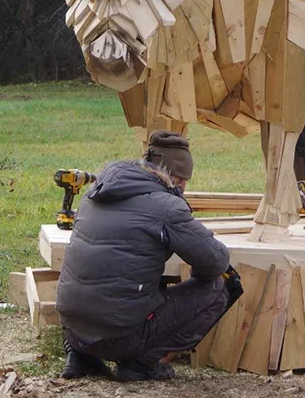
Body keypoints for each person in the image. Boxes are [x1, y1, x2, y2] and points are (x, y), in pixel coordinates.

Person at [56, 131, 240, 382]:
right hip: (119, 338)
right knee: (218, 289)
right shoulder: (167, 206)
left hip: (73, 329)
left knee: (101, 287)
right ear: (177, 177)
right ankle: (139, 364)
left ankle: (80, 356)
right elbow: (216, 262)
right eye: (185, 181)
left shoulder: (93, 194)